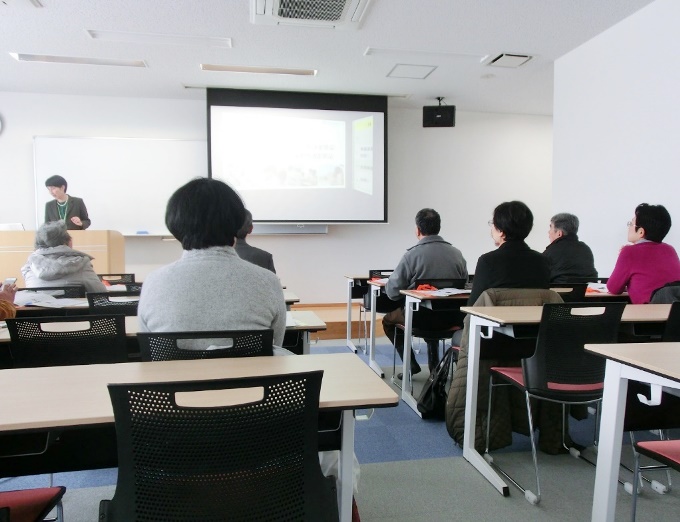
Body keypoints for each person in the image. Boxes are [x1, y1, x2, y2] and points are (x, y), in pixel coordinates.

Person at [138, 178, 287, 347]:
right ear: (237, 222)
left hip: (177, 374)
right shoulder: (268, 281)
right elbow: (275, 347)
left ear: (174, 224)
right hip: (244, 374)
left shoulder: (154, 282)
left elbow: (150, 351)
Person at [382, 208, 468, 376]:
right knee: (433, 315)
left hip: (419, 319)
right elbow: (464, 287)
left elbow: (392, 292)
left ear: (418, 230)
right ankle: (436, 368)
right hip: (453, 318)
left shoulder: (411, 256)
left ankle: (411, 365)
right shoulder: (457, 254)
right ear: (438, 227)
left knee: (388, 321)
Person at [467, 201, 551, 306]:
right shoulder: (542, 261)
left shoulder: (488, 261)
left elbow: (474, 306)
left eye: (493, 223)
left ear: (501, 231)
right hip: (534, 322)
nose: (492, 228)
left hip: (496, 321)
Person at [607, 203, 680, 304]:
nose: (629, 227)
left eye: (631, 224)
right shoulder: (670, 250)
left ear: (641, 232)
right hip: (674, 315)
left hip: (650, 314)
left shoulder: (629, 252)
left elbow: (613, 288)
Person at [21, 221, 106, 292]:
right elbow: (100, 292)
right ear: (68, 241)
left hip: (38, 311)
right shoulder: (81, 263)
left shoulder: (29, 266)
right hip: (73, 311)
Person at [543, 212, 598, 283]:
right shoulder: (585, 249)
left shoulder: (550, 252)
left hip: (560, 292)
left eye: (551, 228)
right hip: (587, 292)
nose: (549, 232)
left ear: (559, 233)